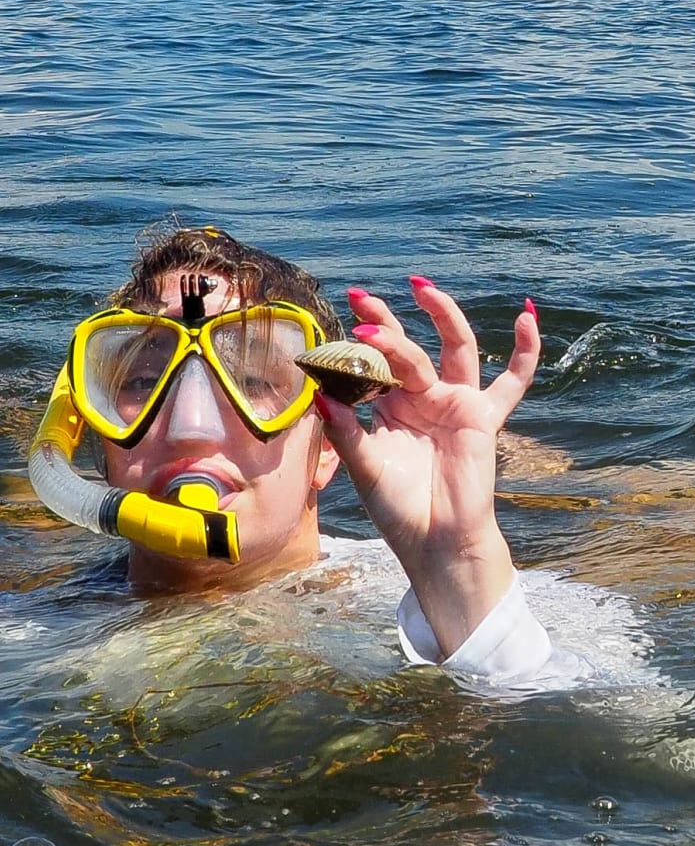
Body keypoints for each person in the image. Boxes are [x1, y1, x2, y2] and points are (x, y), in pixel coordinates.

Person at [28, 224, 556, 685]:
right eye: (145, 381)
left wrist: (457, 568)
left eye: (253, 380)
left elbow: (584, 745)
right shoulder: (16, 636)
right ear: (99, 444)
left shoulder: (483, 599)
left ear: (328, 445)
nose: (193, 429)